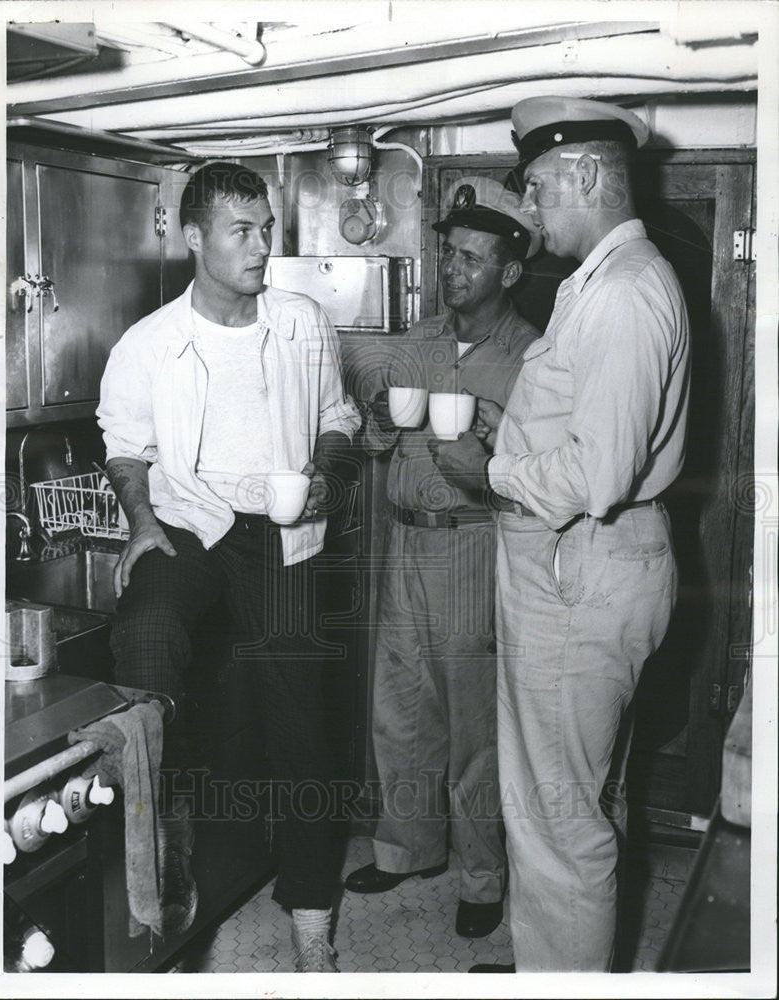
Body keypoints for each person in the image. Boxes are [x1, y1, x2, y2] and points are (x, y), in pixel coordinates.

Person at [431, 97, 691, 971]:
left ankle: (560, 976)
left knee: (556, 816)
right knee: (576, 798)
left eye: (538, 187)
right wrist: (518, 426)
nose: (530, 209)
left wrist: (489, 471)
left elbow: (601, 473)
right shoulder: (606, 282)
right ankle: (557, 956)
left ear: (585, 174)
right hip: (584, 568)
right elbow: (589, 425)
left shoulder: (621, 293)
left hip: (580, 572)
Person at [96, 161, 361, 972]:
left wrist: (327, 472)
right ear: (192, 237)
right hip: (189, 523)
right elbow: (126, 449)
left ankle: (312, 922)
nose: (261, 247)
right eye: (242, 231)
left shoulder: (303, 322)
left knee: (305, 727)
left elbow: (337, 417)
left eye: (267, 228)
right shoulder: (148, 345)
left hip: (280, 536)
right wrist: (140, 525)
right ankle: (151, 872)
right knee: (144, 633)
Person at [344, 177, 542, 940]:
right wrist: (375, 423)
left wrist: (495, 439)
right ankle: (406, 849)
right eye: (449, 254)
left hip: (476, 543)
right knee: (400, 708)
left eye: (472, 258)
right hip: (406, 541)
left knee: (473, 726)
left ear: (510, 272)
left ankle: (484, 873)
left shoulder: (533, 357)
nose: (453, 270)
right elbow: (376, 443)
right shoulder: (416, 344)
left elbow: (545, 470)